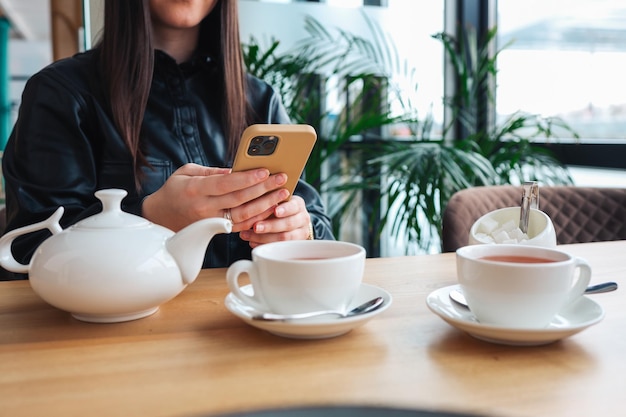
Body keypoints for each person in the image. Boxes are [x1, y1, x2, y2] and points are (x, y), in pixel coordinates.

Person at [1, 0, 334, 279]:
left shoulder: (259, 99)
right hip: (110, 347)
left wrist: (300, 230)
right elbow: (28, 251)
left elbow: (318, 226)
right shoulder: (62, 95)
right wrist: (150, 218)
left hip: (243, 333)